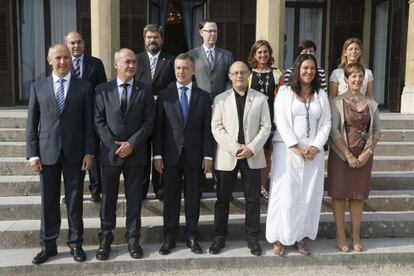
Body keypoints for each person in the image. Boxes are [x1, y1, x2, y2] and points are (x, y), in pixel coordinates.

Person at [26, 44, 95, 264]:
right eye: (58, 58)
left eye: (66, 57)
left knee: (75, 202)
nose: (63, 61)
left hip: (75, 153)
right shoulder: (38, 86)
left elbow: (88, 124)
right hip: (47, 154)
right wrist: (33, 154)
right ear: (50, 61)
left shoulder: (84, 87)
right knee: (49, 202)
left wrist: (89, 152)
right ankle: (48, 246)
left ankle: (76, 244)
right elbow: (31, 123)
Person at [266, 54, 331, 256]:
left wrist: (315, 146)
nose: (309, 72)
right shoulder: (285, 92)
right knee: (285, 195)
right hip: (287, 150)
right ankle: (280, 237)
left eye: (312, 68)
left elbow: (327, 122)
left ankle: (299, 237)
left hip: (313, 153)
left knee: (308, 195)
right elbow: (280, 120)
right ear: (297, 70)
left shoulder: (320, 94)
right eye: (305, 68)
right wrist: (294, 146)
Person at [94, 48, 155, 260]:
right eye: (127, 62)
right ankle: (106, 239)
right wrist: (114, 145)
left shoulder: (145, 91)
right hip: (111, 155)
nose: (131, 66)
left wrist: (132, 144)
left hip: (136, 154)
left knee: (135, 199)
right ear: (116, 65)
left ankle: (133, 238)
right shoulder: (102, 90)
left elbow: (149, 122)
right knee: (108, 198)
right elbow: (99, 121)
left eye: (133, 63)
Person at [153, 53, 214, 255]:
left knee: (193, 198)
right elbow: (159, 129)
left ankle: (192, 235)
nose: (181, 72)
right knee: (170, 198)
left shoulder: (203, 96)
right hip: (170, 157)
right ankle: (169, 237)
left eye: (185, 68)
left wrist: (208, 156)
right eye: (178, 68)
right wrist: (157, 155)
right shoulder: (164, 95)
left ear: (193, 70)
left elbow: (207, 129)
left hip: (195, 157)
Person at [209, 61, 271, 256]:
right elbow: (216, 127)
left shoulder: (260, 99)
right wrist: (235, 148)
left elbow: (266, 126)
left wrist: (251, 148)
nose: (239, 76)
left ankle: (253, 239)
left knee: (252, 199)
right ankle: (219, 238)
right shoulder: (220, 99)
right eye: (235, 73)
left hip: (252, 156)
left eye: (243, 72)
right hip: (228, 156)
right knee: (222, 199)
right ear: (229, 76)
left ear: (249, 73)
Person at [327, 63, 380, 252]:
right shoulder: (337, 102)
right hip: (341, 155)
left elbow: (377, 132)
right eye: (353, 77)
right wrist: (348, 154)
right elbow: (333, 130)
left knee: (358, 197)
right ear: (346, 80)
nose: (357, 80)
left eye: (360, 76)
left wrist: (367, 153)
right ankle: (340, 235)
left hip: (363, 155)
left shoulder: (372, 103)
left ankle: (356, 236)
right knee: (340, 195)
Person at [64, 31, 107, 203]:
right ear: (67, 44)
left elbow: (103, 89)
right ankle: (72, 192)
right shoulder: (62, 63)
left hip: (92, 115)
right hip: (70, 118)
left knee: (93, 152)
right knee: (72, 156)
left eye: (79, 42)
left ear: (84, 43)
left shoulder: (95, 64)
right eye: (72, 43)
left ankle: (96, 189)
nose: (76, 46)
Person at [135, 24, 176, 200]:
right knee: (142, 154)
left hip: (164, 116)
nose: (152, 40)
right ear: (144, 40)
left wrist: (163, 98)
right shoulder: (135, 60)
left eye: (156, 37)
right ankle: (141, 190)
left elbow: (177, 84)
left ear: (162, 40)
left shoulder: (171, 60)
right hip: (140, 117)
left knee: (161, 152)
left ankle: (160, 188)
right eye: (149, 37)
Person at [247, 40, 284, 199]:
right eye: (259, 52)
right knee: (253, 152)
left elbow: (282, 97)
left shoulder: (277, 73)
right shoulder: (248, 73)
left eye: (265, 52)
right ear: (254, 54)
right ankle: (251, 186)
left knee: (267, 154)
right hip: (251, 121)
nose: (263, 55)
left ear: (270, 54)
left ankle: (262, 186)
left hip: (270, 120)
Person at [187, 19, 233, 100]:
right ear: (201, 33)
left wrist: (224, 97)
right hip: (198, 102)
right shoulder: (191, 55)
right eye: (210, 31)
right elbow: (189, 79)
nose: (213, 34)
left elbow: (230, 80)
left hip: (221, 102)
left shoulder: (227, 56)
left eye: (215, 31)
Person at [329, 37, 374, 102]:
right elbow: (331, 97)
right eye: (350, 49)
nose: (354, 51)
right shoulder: (336, 73)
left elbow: (370, 97)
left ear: (360, 52)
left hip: (361, 110)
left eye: (356, 49)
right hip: (341, 109)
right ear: (345, 53)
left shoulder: (368, 73)